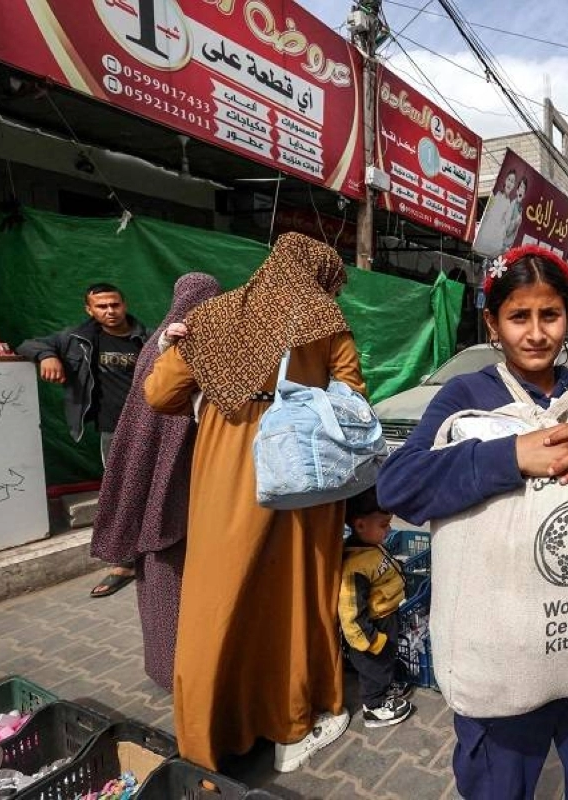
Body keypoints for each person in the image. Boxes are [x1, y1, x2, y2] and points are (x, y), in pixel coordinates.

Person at [376, 246, 568, 799]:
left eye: (551, 315)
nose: (537, 333)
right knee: (498, 787)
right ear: (493, 322)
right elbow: (401, 486)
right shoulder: (466, 395)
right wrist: (511, 457)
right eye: (520, 317)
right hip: (504, 651)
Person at [144, 233, 364, 773]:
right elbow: (354, 394)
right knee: (295, 596)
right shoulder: (325, 320)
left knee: (215, 599)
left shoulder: (214, 315)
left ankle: (205, 741)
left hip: (225, 474)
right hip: (301, 474)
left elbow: (159, 395)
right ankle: (292, 728)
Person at [87, 273, 221, 688]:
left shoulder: (154, 342)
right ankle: (186, 672)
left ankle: (168, 669)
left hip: (151, 485)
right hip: (185, 486)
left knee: (159, 579)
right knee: (175, 576)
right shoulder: (178, 346)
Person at [16, 283, 149, 597]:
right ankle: (125, 562)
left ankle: (161, 552)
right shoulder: (76, 339)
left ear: (124, 303)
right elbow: (27, 344)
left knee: (159, 487)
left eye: (114, 304)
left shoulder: (148, 337)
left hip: (153, 425)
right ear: (89, 310)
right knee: (120, 494)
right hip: (113, 429)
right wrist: (47, 356)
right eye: (101, 307)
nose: (109, 311)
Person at [340, 488, 415, 729]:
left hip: (386, 616)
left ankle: (384, 688)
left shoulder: (370, 546)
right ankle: (374, 706)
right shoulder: (354, 567)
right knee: (375, 667)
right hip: (372, 630)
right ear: (360, 525)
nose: (389, 530)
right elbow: (350, 613)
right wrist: (370, 640)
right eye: (384, 525)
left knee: (385, 662)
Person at [475, 169, 518, 255]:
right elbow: (487, 214)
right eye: (509, 179)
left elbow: (506, 227)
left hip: (495, 243)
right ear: (505, 180)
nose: (509, 183)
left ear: (514, 186)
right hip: (484, 236)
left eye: (512, 181)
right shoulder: (496, 195)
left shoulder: (510, 204)